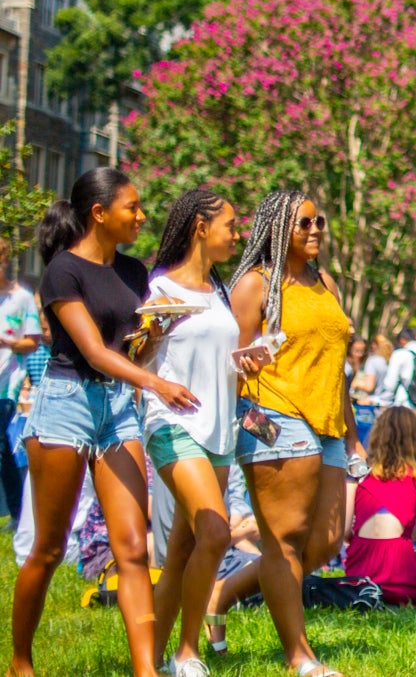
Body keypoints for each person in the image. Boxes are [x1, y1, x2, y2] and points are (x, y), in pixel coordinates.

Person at [14, 170, 195, 677]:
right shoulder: (62, 273)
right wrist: (156, 384)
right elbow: (93, 351)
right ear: (99, 213)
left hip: (117, 409)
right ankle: (20, 662)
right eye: (132, 208)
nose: (142, 217)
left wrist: (160, 331)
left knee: (134, 548)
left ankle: (146, 670)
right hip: (65, 403)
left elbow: (130, 349)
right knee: (48, 550)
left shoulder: (137, 273)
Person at [214, 189, 364, 677]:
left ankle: (225, 592)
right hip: (276, 416)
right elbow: (229, 367)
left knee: (326, 538)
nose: (316, 229)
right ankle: (299, 657)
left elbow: (339, 365)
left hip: (329, 424)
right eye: (304, 223)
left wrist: (354, 435)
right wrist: (250, 425)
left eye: (318, 220)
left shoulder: (326, 283)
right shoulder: (256, 285)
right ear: (279, 230)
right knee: (286, 539)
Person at [146, 189, 261, 677]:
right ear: (199, 227)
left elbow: (217, 359)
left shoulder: (217, 290)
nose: (237, 235)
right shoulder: (159, 290)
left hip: (218, 431)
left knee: (184, 548)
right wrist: (151, 362)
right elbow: (137, 358)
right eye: (230, 226)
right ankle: (187, 653)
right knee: (214, 532)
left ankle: (146, 654)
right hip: (172, 424)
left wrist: (247, 363)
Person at [344, 406, 416, 605]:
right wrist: (402, 527)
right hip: (401, 572)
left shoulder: (357, 475)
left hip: (359, 576)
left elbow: (345, 532)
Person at [0, 255, 44, 524]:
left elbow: (34, 342)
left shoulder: (22, 298)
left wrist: (6, 342)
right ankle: (17, 514)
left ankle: (17, 514)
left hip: (7, 383)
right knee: (3, 446)